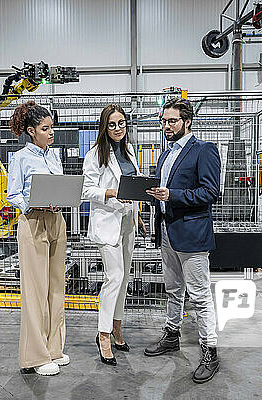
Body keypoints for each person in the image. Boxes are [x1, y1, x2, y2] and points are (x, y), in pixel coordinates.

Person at [144, 98, 221, 384]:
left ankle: (210, 350)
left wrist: (172, 196)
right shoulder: (165, 155)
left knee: (200, 295)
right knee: (174, 289)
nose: (166, 126)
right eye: (163, 121)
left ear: (187, 122)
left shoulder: (204, 150)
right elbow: (162, 188)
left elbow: (210, 192)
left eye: (172, 121)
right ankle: (171, 334)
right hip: (167, 231)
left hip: (192, 234)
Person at [6, 101, 69, 376]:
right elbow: (13, 194)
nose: (50, 132)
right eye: (45, 128)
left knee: (56, 287)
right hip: (33, 223)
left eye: (51, 127)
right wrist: (31, 205)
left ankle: (54, 348)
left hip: (57, 221)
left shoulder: (54, 157)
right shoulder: (20, 158)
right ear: (31, 131)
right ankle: (35, 356)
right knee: (35, 290)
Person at [82, 104, 146, 366]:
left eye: (121, 123)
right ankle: (104, 334)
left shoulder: (129, 150)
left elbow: (134, 183)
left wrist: (138, 213)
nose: (118, 128)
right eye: (112, 124)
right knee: (114, 277)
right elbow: (86, 190)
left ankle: (117, 327)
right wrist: (109, 192)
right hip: (107, 221)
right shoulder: (95, 154)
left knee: (125, 277)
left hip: (128, 219)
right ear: (104, 127)